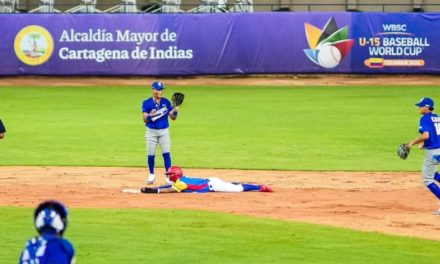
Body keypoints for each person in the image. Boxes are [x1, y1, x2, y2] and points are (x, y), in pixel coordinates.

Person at [406, 97, 440, 215]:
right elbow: (435, 135)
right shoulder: (437, 117)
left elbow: (426, 135)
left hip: (433, 152)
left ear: (426, 107)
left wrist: (412, 143)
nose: (419, 108)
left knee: (427, 179)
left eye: (421, 106)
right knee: (432, 172)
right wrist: (425, 145)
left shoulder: (425, 118)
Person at [142, 81, 180, 185]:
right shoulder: (147, 103)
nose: (161, 91)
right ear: (153, 90)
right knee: (151, 154)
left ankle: (168, 176)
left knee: (166, 153)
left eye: (162, 89)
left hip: (164, 131)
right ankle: (151, 174)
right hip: (151, 132)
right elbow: (145, 119)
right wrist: (150, 115)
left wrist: (175, 110)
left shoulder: (166, 102)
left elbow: (173, 118)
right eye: (159, 89)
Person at [140, 165, 273, 194]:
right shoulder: (180, 180)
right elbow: (167, 185)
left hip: (213, 185)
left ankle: (259, 187)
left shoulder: (181, 183)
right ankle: (241, 184)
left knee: (237, 189)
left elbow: (169, 190)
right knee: (231, 185)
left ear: (175, 175)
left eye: (170, 174)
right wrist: (156, 189)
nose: (168, 176)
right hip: (211, 181)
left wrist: (154, 191)